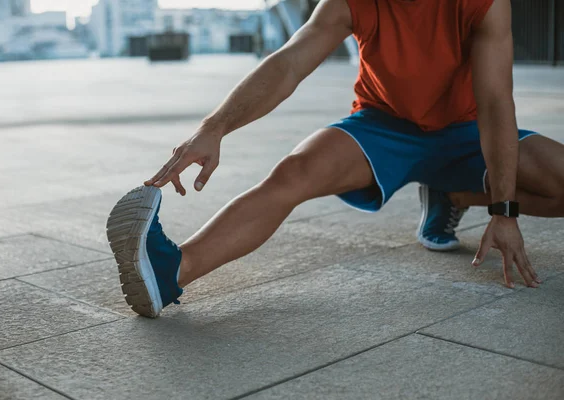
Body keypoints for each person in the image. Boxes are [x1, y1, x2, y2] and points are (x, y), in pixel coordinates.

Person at [106, 0, 564, 318]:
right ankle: (169, 273)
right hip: (383, 124)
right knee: (294, 173)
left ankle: (455, 193)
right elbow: (289, 63)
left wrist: (503, 208)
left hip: (466, 127)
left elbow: (496, 105)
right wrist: (215, 127)